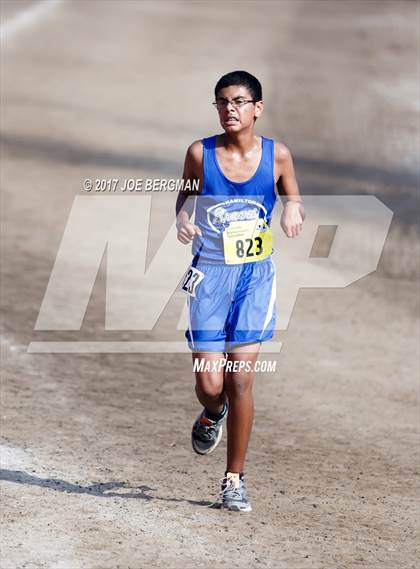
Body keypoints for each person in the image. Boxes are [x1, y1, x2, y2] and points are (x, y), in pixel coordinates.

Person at [175, 70, 305, 512]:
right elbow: (185, 196)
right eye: (222, 102)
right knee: (211, 384)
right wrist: (181, 218)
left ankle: (234, 479)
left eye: (238, 102)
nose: (229, 109)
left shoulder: (278, 155)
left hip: (254, 278)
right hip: (210, 276)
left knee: (241, 378)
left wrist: (291, 211)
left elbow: (292, 194)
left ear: (257, 108)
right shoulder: (200, 152)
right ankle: (213, 413)